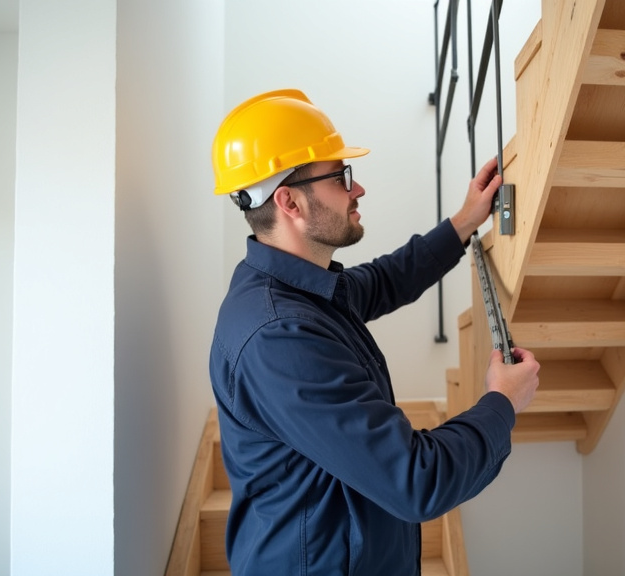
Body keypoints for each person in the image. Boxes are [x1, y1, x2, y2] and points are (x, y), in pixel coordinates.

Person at [209, 88, 540, 576]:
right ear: (290, 202)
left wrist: (465, 221)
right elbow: (416, 480)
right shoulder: (279, 338)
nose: (357, 188)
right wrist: (502, 403)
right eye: (341, 176)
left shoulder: (299, 291)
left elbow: (382, 281)